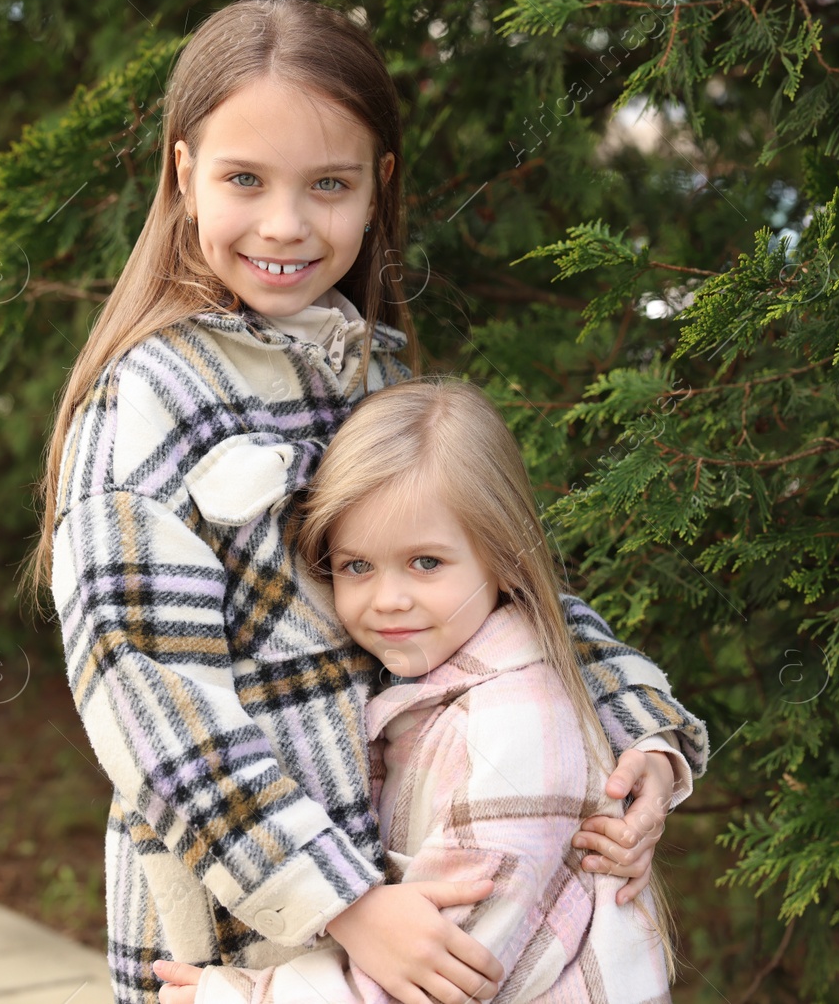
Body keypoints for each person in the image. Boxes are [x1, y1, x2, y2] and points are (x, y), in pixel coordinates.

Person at [32, 0, 709, 1004]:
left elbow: (515, 592)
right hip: (248, 935)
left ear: (378, 184)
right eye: (245, 179)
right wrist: (344, 902)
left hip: (421, 886)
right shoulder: (147, 403)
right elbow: (151, 699)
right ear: (183, 174)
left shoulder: (380, 383)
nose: (285, 224)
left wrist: (644, 742)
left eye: (330, 186)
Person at [151, 377, 677, 1004]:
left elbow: (450, 969)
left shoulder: (509, 730)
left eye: (426, 562)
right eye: (356, 566)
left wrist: (240, 996)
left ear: (504, 558)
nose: (389, 600)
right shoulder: (420, 690)